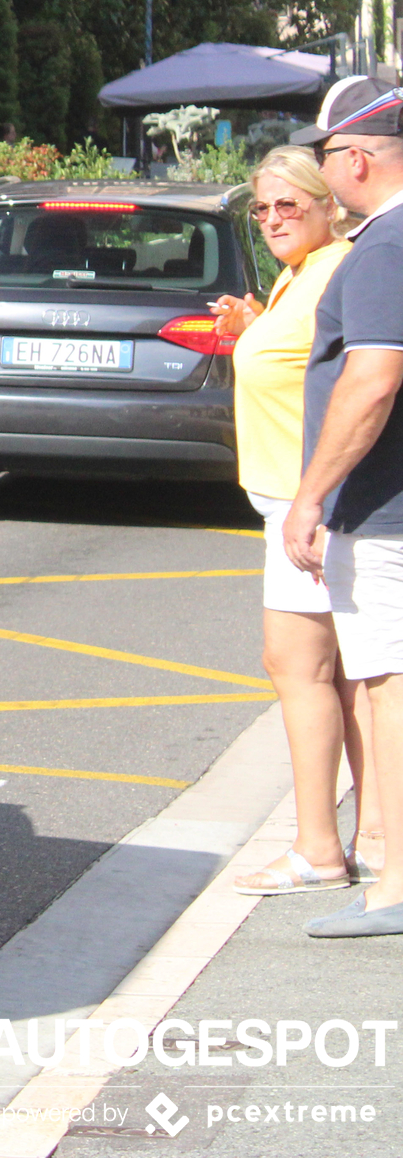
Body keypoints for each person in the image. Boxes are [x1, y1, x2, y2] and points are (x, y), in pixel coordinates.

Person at [211, 146, 376, 893]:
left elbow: (358, 378)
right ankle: (370, 833)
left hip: (309, 502)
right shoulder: (300, 274)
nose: (274, 217)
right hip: (303, 499)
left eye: (289, 204)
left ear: (326, 202)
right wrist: (254, 321)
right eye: (264, 207)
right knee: (344, 676)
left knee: (301, 667)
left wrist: (311, 501)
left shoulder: (338, 265)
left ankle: (321, 847)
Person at [279, 81, 403, 937]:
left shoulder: (387, 247)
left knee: (389, 690)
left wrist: (311, 495)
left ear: (354, 159)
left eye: (324, 158)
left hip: (386, 514)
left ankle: (395, 884)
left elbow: (372, 377)